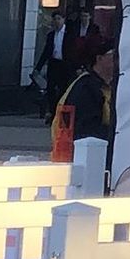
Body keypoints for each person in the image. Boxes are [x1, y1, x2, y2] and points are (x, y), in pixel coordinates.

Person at [51, 33, 117, 176]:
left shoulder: (101, 86)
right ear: (99, 58)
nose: (118, 60)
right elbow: (87, 132)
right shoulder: (86, 88)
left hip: (86, 158)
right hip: (81, 161)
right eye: (113, 55)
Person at [32, 16, 72, 122]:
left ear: (63, 20)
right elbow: (46, 51)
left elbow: (73, 51)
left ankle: (59, 113)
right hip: (53, 63)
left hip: (64, 64)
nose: (56, 22)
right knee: (50, 89)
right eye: (55, 19)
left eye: (59, 19)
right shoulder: (51, 35)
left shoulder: (69, 34)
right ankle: (53, 112)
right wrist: (38, 67)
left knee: (63, 89)